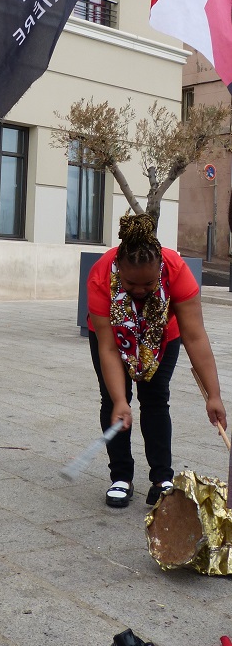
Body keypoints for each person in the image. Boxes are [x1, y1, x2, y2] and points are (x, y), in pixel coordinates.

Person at [87, 212, 227, 509]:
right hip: (113, 336)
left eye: (148, 284)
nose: (139, 291)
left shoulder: (176, 271)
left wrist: (213, 395)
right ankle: (121, 477)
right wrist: (121, 400)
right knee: (113, 404)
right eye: (129, 284)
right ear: (118, 271)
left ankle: (162, 478)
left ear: (160, 269)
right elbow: (110, 350)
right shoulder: (101, 274)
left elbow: (196, 337)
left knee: (155, 399)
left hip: (162, 336)